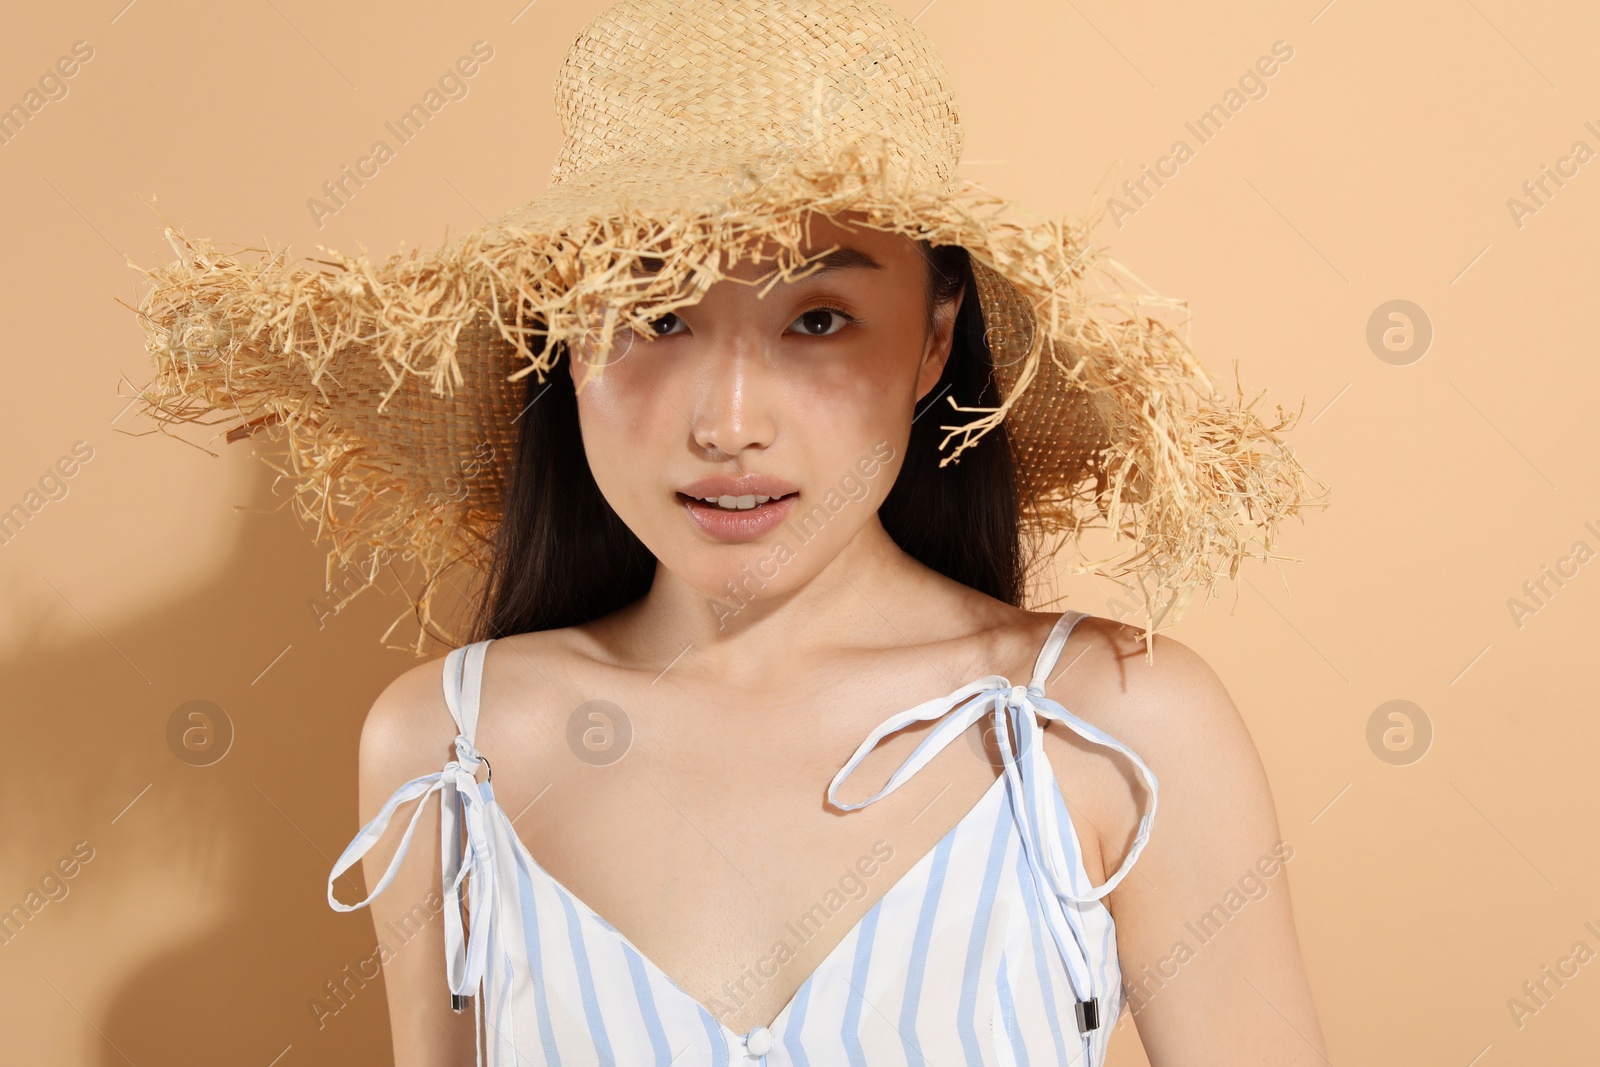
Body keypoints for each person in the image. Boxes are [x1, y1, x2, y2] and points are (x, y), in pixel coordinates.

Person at [133, 2, 1327, 1064]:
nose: (729, 424)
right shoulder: (448, 749)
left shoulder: (1106, 723)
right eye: (655, 311)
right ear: (563, 339)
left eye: (819, 316)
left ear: (931, 338)